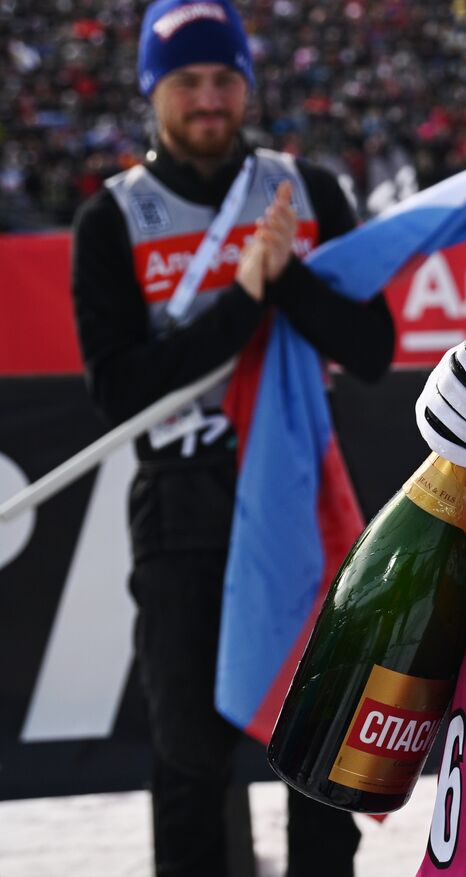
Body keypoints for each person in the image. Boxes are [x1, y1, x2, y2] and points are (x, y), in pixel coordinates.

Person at [68, 2, 394, 875]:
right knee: (188, 754)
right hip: (183, 506)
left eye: (224, 79)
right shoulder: (114, 219)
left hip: (298, 489)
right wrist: (245, 295)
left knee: (316, 746)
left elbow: (372, 350)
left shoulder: (308, 190)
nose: (208, 99)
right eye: (186, 84)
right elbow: (119, 390)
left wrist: (285, 280)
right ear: (152, 92)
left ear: (246, 83)